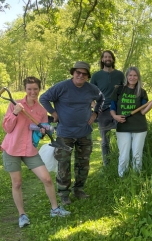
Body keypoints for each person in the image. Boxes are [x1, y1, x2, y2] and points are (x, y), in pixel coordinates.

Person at [1, 77, 71, 228]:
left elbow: (40, 133)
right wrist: (15, 113)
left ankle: (55, 209)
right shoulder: (15, 104)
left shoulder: (41, 111)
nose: (32, 92)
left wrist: (43, 131)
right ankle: (22, 215)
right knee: (17, 183)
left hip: (29, 149)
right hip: (12, 148)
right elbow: (7, 128)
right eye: (29, 89)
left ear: (40, 89)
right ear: (25, 90)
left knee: (46, 179)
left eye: (35, 89)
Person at [40, 61, 105, 205]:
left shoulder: (92, 89)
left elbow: (101, 99)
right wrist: (53, 113)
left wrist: (95, 114)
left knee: (83, 163)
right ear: (73, 73)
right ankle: (63, 193)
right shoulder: (61, 87)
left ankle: (79, 189)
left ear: (88, 76)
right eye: (78, 72)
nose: (80, 75)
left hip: (84, 132)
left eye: (84, 73)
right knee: (63, 163)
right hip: (65, 133)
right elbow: (43, 98)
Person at [110, 67, 152, 177]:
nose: (132, 77)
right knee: (124, 155)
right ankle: (122, 177)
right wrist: (115, 117)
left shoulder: (142, 92)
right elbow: (112, 107)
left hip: (139, 128)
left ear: (138, 77)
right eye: (130, 75)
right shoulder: (119, 90)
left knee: (137, 155)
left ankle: (136, 177)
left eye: (135, 75)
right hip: (123, 127)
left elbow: (143, 111)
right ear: (127, 76)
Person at [90, 50, 125, 166]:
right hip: (103, 112)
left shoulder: (120, 75)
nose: (107, 58)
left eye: (109, 57)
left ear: (113, 59)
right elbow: (89, 94)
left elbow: (126, 91)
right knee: (105, 141)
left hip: (118, 110)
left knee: (122, 137)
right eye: (105, 57)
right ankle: (107, 165)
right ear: (102, 60)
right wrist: (95, 107)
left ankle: (122, 161)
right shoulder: (96, 76)